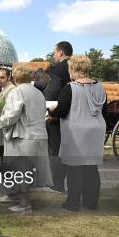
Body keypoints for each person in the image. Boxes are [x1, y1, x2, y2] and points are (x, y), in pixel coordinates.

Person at [48, 55, 107, 211]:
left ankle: (73, 203)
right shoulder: (100, 87)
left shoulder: (70, 88)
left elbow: (62, 111)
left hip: (77, 132)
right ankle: (91, 202)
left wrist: (51, 111)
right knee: (92, 168)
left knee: (74, 168)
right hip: (96, 130)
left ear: (72, 69)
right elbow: (104, 110)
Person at [0, 66, 52, 213]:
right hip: (39, 136)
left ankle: (24, 204)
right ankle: (14, 196)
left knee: (21, 171)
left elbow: (12, 115)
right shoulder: (38, 93)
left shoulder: (17, 92)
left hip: (24, 137)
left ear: (15, 78)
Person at [44, 41, 73, 193]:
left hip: (57, 115)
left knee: (55, 149)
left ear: (60, 52)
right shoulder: (75, 67)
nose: (54, 55)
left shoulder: (57, 68)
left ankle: (57, 184)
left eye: (55, 52)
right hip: (72, 114)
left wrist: (50, 112)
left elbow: (53, 92)